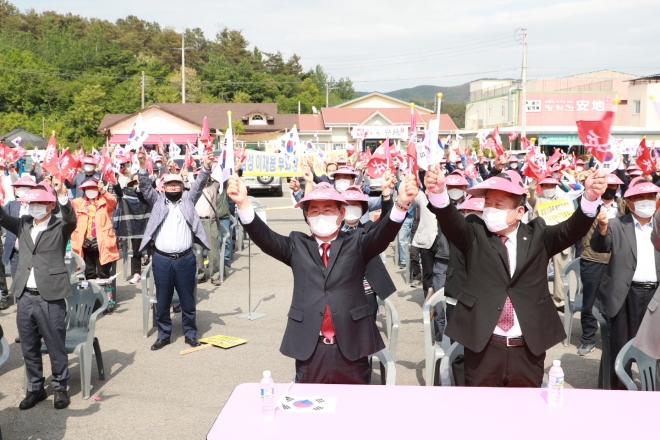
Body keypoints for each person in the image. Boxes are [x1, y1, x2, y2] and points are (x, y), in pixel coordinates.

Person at [424, 166, 606, 387]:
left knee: (525, 414)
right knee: (481, 413)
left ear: (519, 212)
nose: (490, 209)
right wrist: (438, 193)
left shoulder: (539, 235)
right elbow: (451, 220)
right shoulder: (475, 234)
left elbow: (572, 229)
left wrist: (589, 198)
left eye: (498, 204)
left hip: (527, 347)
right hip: (483, 346)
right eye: (487, 203)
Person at [227, 174, 418, 384]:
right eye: (314, 211)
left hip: (352, 346)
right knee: (311, 409)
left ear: (341, 213)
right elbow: (264, 237)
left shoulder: (357, 242)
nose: (321, 215)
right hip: (311, 348)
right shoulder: (296, 245)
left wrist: (401, 204)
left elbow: (384, 233)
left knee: (353, 409)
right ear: (306, 216)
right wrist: (243, 204)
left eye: (328, 209)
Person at [0, 179, 76, 410]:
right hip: (25, 295)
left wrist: (63, 197)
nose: (35, 207)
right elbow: (2, 218)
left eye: (40, 203)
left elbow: (72, 220)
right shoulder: (23, 223)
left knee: (55, 345)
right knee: (29, 347)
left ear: (50, 205)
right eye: (31, 203)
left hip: (50, 296)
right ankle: (36, 388)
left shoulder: (59, 225)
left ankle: (60, 387)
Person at [137, 149, 214, 350]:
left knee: (188, 300)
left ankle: (190, 334)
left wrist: (206, 165)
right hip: (162, 260)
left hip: (185, 259)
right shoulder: (157, 201)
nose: (173, 187)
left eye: (177, 184)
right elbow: (145, 187)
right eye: (169, 184)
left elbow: (199, 184)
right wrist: (143, 166)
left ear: (182, 186)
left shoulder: (188, 200)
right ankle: (164, 335)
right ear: (163, 187)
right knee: (162, 300)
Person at [591, 176, 660, 390]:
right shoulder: (616, 224)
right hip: (624, 295)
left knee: (656, 349)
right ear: (629, 202)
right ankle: (616, 393)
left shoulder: (658, 227)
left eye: (650, 197)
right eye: (640, 197)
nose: (646, 201)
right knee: (620, 347)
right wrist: (601, 229)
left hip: (655, 296)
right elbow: (600, 246)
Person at [577, 173, 626, 357]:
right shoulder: (590, 204)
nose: (610, 189)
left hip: (616, 259)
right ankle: (588, 339)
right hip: (593, 258)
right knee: (589, 301)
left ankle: (612, 338)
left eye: (614, 186)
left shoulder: (622, 205)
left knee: (615, 301)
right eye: (608, 185)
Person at [70, 179, 120, 312]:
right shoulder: (78, 203)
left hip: (102, 243)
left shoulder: (104, 201)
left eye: (93, 187)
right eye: (88, 188)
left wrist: (103, 191)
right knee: (89, 274)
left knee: (103, 274)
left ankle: (107, 302)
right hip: (85, 244)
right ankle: (92, 302)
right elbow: (65, 209)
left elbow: (113, 202)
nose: (90, 190)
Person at [0, 177, 37, 310]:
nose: (23, 190)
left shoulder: (37, 206)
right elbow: (2, 216)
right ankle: (22, 307)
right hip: (15, 251)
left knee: (32, 280)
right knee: (17, 280)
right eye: (20, 187)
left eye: (26, 187)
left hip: (32, 251)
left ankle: (32, 306)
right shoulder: (11, 205)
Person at [113, 174, 151, 284]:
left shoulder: (149, 193)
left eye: (139, 180)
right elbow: (118, 192)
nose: (137, 183)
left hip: (148, 225)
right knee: (136, 252)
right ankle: (137, 273)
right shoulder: (126, 193)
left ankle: (155, 270)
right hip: (135, 227)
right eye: (135, 181)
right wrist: (114, 180)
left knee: (153, 251)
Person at [194, 170, 221, 285]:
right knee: (198, 251)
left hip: (210, 222)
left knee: (213, 251)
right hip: (197, 222)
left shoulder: (213, 187)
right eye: (198, 175)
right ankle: (200, 274)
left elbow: (222, 178)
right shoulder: (193, 190)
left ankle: (215, 275)